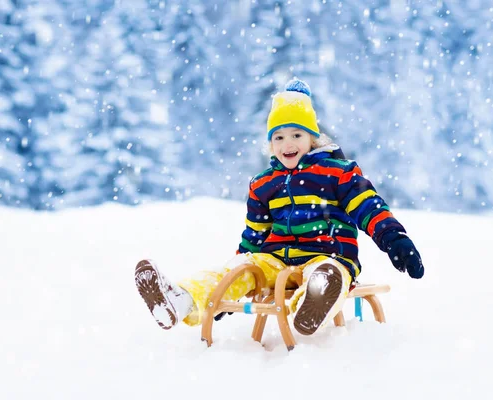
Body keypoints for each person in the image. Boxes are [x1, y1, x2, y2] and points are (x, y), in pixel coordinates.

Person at [134, 78, 424, 335]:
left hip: (327, 254)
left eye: (297, 135)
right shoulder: (264, 184)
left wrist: (394, 239)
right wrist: (232, 281)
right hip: (275, 260)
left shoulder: (339, 174)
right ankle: (181, 300)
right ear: (270, 143)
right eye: (279, 137)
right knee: (241, 269)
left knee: (326, 273)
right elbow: (254, 236)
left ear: (312, 138)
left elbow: (369, 208)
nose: (288, 144)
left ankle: (311, 306)